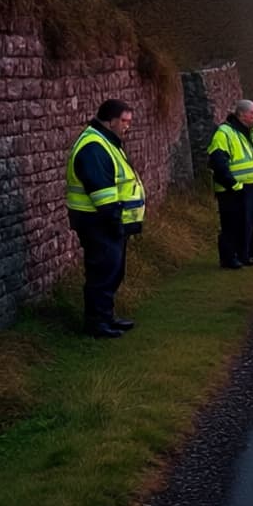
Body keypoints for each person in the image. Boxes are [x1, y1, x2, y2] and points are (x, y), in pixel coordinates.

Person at [65, 98, 145, 339]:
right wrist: (115, 221)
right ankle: (96, 323)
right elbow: (102, 191)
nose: (127, 126)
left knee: (112, 271)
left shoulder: (106, 142)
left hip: (107, 221)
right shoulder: (94, 146)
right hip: (99, 222)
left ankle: (106, 317)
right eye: (124, 121)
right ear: (110, 120)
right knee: (102, 271)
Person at [207, 98, 253, 269]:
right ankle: (229, 258)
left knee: (247, 223)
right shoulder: (224, 133)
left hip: (252, 186)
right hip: (232, 189)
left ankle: (244, 254)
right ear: (241, 114)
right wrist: (233, 184)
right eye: (252, 113)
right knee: (231, 224)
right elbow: (218, 162)